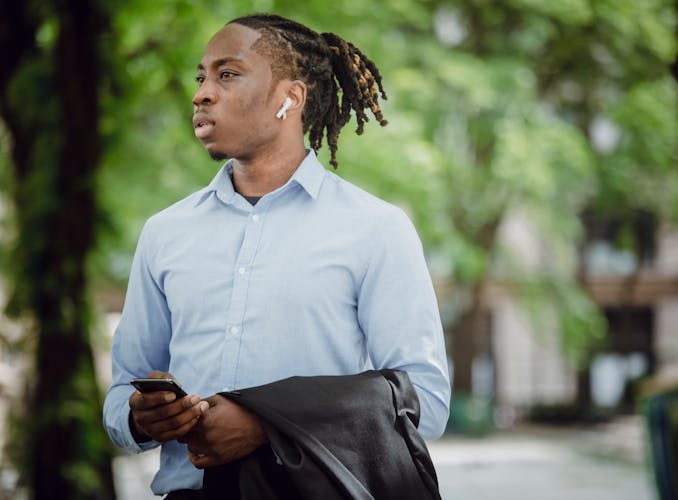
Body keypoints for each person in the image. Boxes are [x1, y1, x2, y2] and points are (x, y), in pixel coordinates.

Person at [103, 13, 450, 498]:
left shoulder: (377, 229)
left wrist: (269, 424)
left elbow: (425, 403)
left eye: (227, 74)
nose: (202, 93)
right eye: (201, 76)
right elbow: (121, 395)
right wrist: (143, 418)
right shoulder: (164, 233)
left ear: (290, 97)